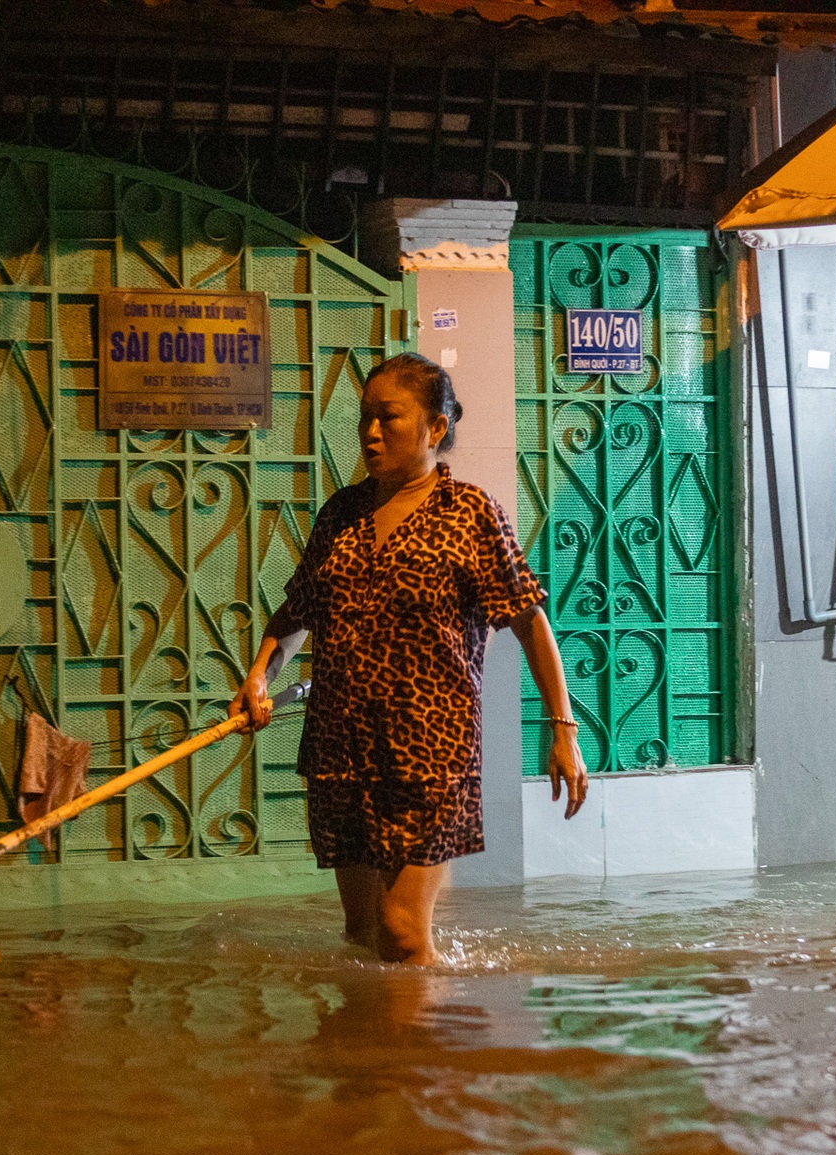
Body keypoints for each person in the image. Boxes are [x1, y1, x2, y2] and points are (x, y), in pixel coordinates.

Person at [230, 353, 587, 965]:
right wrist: (261, 674)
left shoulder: (471, 514)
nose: (370, 433)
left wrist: (563, 730)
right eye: (364, 418)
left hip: (429, 751)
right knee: (362, 933)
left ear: (434, 428)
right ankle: (389, 1029)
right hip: (340, 750)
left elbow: (530, 622)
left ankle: (437, 1029)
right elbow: (298, 611)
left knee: (400, 932)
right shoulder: (340, 515)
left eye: (388, 417)